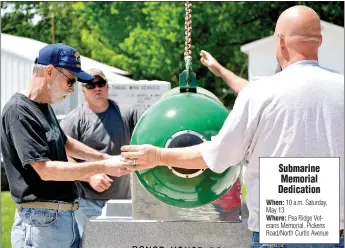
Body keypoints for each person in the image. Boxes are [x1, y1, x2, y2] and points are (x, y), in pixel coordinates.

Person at [119, 6, 344, 248]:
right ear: (319, 41)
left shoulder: (259, 93)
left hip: (279, 235)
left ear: (279, 41)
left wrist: (158, 155)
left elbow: (219, 156)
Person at [0, 43, 131, 248]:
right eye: (70, 80)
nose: (72, 89)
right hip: (41, 221)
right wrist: (102, 168)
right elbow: (45, 170)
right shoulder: (19, 112)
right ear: (50, 71)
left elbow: (66, 143)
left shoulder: (43, 107)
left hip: (61, 218)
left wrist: (105, 158)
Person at [60, 68, 141, 237]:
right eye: (90, 85)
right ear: (82, 91)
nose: (97, 88)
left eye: (101, 83)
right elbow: (61, 155)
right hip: (87, 202)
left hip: (123, 200)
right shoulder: (75, 119)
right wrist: (90, 176)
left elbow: (146, 137)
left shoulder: (127, 113)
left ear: (107, 86)